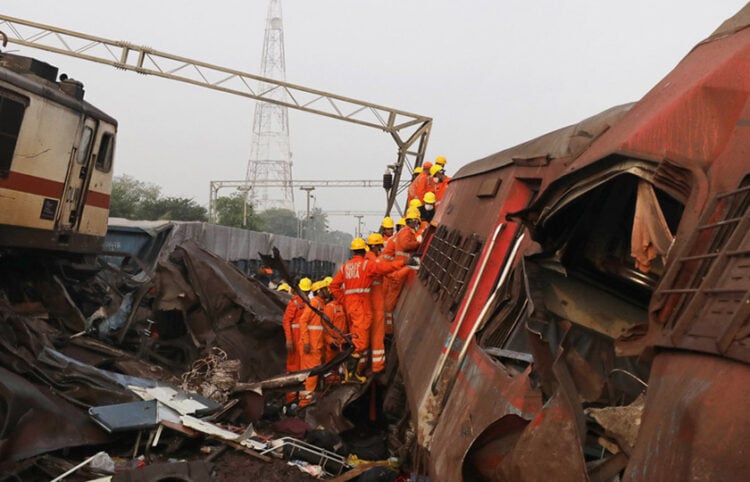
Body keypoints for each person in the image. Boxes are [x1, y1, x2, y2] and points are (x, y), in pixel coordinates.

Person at [330, 238, 406, 382]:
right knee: (361, 343)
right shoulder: (366, 265)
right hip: (362, 306)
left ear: (353, 251)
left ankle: (352, 373)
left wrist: (344, 300)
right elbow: (385, 268)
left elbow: (334, 286)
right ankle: (350, 374)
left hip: (352, 307)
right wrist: (403, 263)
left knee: (357, 338)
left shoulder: (346, 267)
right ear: (364, 250)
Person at [382, 208, 423, 335]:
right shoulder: (406, 232)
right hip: (400, 269)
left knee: (390, 300)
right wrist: (417, 243)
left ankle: (388, 329)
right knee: (390, 302)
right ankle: (388, 331)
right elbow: (405, 245)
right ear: (415, 221)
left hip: (398, 268)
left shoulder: (402, 232)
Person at [297, 280, 327, 407]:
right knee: (310, 376)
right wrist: (307, 342)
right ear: (319, 290)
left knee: (312, 375)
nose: (328, 290)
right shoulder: (314, 303)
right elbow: (303, 321)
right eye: (325, 288)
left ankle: (306, 402)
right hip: (311, 346)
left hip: (316, 346)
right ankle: (304, 403)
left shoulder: (321, 304)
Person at [282, 277, 312, 403]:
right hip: (295, 338)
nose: (304, 293)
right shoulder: (294, 302)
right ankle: (291, 398)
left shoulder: (308, 302)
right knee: (293, 367)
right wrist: (289, 339)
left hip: (303, 339)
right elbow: (286, 320)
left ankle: (299, 399)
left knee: (302, 368)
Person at [366, 233, 389, 373]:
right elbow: (388, 270)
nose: (380, 249)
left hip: (367, 305)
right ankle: (378, 366)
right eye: (379, 246)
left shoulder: (365, 260)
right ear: (374, 246)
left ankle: (365, 366)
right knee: (377, 335)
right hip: (376, 304)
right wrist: (404, 265)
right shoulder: (374, 262)